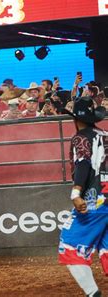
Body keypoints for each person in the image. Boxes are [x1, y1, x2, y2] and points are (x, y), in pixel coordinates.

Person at [58, 96, 107, 297]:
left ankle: (93, 294)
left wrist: (76, 192)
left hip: (96, 199)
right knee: (105, 247)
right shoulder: (105, 135)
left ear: (75, 119)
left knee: (69, 246)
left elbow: (83, 163)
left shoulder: (81, 138)